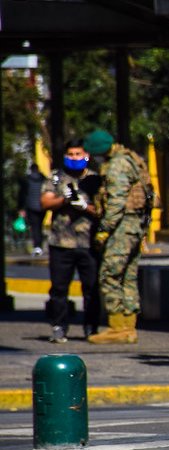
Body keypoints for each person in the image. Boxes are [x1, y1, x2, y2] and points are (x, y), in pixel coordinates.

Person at [85, 129, 154, 345]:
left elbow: (117, 201)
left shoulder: (117, 165)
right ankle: (128, 327)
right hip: (135, 226)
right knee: (127, 277)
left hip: (122, 228)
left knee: (110, 274)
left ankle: (118, 327)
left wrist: (104, 229)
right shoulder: (132, 159)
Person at [40, 139, 101, 343]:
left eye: (78, 154)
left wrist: (84, 206)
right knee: (59, 288)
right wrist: (64, 200)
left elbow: (105, 210)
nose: (74, 158)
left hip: (88, 243)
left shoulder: (95, 179)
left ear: (86, 155)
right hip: (61, 243)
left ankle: (91, 327)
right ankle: (59, 326)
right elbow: (45, 201)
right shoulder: (57, 178)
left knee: (92, 288)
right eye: (71, 154)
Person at [18, 163, 47, 256]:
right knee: (40, 226)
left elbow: (22, 195)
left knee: (35, 227)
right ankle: (39, 245)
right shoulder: (44, 179)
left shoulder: (27, 180)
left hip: (31, 206)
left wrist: (21, 208)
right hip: (42, 206)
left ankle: (37, 246)